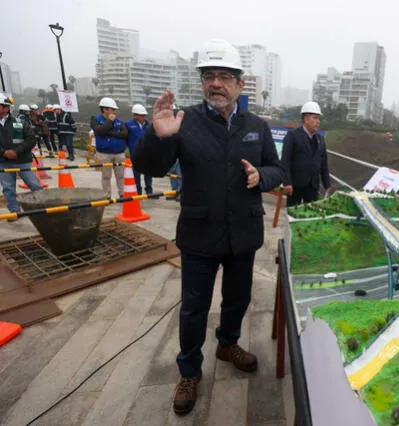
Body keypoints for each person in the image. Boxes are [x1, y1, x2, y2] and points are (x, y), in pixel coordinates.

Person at [132, 38, 285, 416]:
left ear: (240, 84)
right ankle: (189, 371)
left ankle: (227, 343)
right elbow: (149, 168)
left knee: (238, 298)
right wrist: (158, 135)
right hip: (200, 233)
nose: (215, 83)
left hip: (243, 233)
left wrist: (260, 177)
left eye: (224, 77)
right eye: (209, 76)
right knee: (194, 308)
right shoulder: (184, 122)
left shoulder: (257, 127)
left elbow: (279, 170)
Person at [0, 94, 43, 221]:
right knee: (8, 189)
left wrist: (16, 151)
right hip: (3, 162)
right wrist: (4, 153)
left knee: (34, 185)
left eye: (4, 106)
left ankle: (42, 206)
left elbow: (31, 140)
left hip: (23, 160)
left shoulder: (20, 122)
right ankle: (14, 210)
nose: (5, 108)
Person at [281, 101, 331, 206]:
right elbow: (285, 161)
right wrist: (287, 182)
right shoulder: (293, 136)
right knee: (292, 215)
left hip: (312, 186)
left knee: (309, 215)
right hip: (295, 185)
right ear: (306, 118)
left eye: (319, 118)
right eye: (315, 118)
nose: (318, 121)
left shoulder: (320, 139)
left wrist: (327, 184)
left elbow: (324, 164)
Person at [90, 97, 128, 197]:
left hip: (119, 153)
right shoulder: (95, 119)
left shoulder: (120, 121)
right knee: (106, 176)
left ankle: (123, 194)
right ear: (105, 109)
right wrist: (110, 121)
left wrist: (109, 133)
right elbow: (100, 131)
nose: (115, 111)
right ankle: (107, 195)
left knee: (120, 176)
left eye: (116, 109)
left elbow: (124, 134)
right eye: (113, 109)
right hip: (104, 154)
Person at [125, 104, 153, 195]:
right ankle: (138, 191)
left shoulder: (149, 125)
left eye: (143, 115)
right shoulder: (128, 125)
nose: (142, 117)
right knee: (136, 174)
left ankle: (149, 191)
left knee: (148, 173)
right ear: (135, 115)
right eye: (140, 115)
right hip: (135, 154)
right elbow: (125, 137)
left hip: (147, 153)